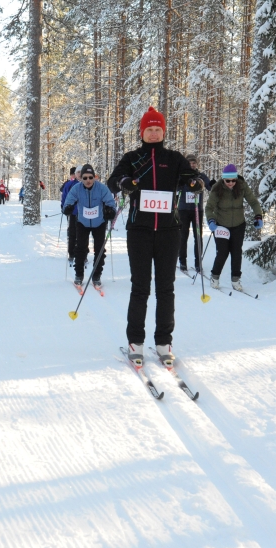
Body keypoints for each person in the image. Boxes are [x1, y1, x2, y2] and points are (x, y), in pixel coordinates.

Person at [107, 106, 203, 368]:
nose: (153, 133)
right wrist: (125, 182)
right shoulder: (133, 157)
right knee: (140, 287)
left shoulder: (173, 158)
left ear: (163, 131)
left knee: (166, 288)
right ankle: (135, 342)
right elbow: (113, 180)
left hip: (170, 232)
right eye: (148, 129)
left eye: (157, 129)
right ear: (142, 131)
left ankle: (163, 343)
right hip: (139, 230)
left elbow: (192, 179)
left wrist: (196, 183)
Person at [206, 164, 263, 291]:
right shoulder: (217, 188)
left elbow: (253, 201)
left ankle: (236, 280)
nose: (231, 183)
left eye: (233, 180)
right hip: (221, 225)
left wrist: (258, 216)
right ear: (223, 179)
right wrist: (211, 220)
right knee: (223, 252)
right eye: (228, 181)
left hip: (238, 224)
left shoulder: (242, 186)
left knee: (237, 253)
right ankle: (215, 277)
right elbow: (209, 207)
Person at [62, 164, 117, 289]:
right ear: (81, 178)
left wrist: (110, 210)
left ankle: (96, 276)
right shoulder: (76, 188)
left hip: (99, 222)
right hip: (83, 222)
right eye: (85, 178)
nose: (88, 181)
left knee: (100, 249)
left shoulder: (102, 188)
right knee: (80, 248)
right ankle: (79, 275)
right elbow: (68, 201)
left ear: (94, 177)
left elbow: (110, 202)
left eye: (90, 177)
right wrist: (68, 208)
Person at [177, 154, 214, 273]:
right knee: (183, 236)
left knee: (198, 237)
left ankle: (198, 263)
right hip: (183, 210)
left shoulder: (201, 176)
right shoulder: (182, 176)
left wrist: (215, 185)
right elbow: (175, 187)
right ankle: (183, 261)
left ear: (197, 164)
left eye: (194, 163)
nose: (192, 165)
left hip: (197, 210)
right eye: (190, 163)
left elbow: (209, 186)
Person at [60, 167, 81, 266]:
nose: (79, 174)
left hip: (84, 214)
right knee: (72, 233)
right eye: (77, 173)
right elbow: (64, 195)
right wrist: (64, 207)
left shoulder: (88, 183)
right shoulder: (69, 184)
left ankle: (82, 253)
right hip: (72, 212)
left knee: (82, 234)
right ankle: (71, 253)